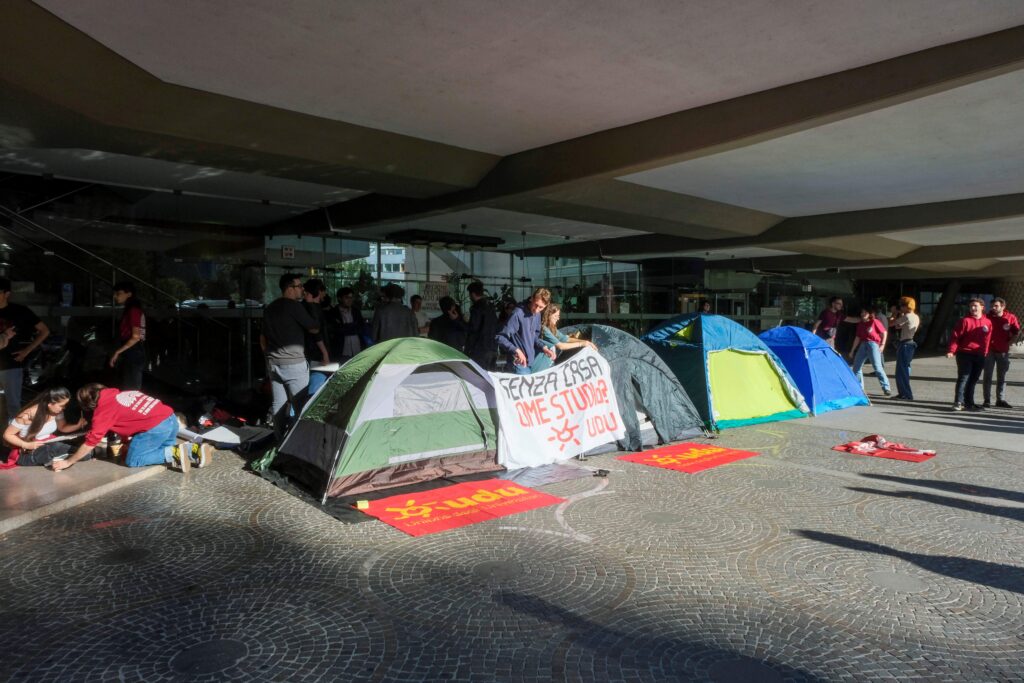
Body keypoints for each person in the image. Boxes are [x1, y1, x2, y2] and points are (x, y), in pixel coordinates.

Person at [51, 383, 211, 472]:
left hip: (156, 428)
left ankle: (180, 451)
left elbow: (91, 442)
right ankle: (192, 451)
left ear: (89, 404)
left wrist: (68, 462)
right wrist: (127, 441)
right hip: (170, 420)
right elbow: (131, 419)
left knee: (133, 460)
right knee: (161, 452)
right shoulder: (125, 393)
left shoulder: (103, 410)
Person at [261, 273, 320, 439]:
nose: (302, 289)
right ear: (289, 289)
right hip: (294, 363)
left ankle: (280, 440)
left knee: (278, 404)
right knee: (301, 405)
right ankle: (300, 443)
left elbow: (262, 338)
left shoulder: (270, 308)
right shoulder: (294, 306)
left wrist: (268, 357)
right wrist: (312, 305)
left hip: (273, 363)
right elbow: (314, 328)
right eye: (299, 286)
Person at [0, 277, 50, 422]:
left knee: (13, 404)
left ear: (6, 293)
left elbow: (44, 331)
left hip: (11, 362)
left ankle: (13, 436)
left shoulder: (19, 311)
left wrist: (27, 350)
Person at [3, 387, 88, 466]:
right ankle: (59, 459)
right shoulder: (27, 415)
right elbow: (7, 435)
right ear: (50, 404)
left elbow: (62, 427)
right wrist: (25, 445)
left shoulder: (56, 411)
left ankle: (59, 459)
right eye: (62, 405)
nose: (64, 408)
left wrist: (78, 425)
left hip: (48, 444)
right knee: (54, 448)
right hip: (27, 453)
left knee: (83, 453)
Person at [495, 288, 556, 375]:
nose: (536, 309)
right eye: (536, 305)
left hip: (530, 362)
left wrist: (544, 348)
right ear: (531, 298)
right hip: (517, 363)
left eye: (541, 307)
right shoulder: (518, 313)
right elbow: (500, 337)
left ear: (546, 306)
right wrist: (517, 350)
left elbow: (533, 337)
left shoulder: (537, 314)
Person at [946, 298, 991, 412]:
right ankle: (958, 402)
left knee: (973, 379)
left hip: (980, 355)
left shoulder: (987, 322)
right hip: (965, 353)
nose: (973, 308)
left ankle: (969, 403)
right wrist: (951, 350)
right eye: (971, 306)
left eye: (975, 306)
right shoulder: (964, 321)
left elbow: (987, 340)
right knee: (964, 378)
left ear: (982, 307)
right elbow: (955, 337)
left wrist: (985, 353)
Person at [531, 303, 598, 372]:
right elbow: (561, 346)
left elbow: (565, 339)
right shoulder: (544, 329)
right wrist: (581, 344)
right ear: (548, 315)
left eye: (558, 316)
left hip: (549, 366)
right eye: (555, 316)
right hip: (540, 368)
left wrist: (585, 342)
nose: (558, 318)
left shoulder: (552, 328)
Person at [109, 281, 147, 390]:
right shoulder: (132, 309)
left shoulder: (133, 310)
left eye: (119, 293)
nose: (115, 296)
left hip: (133, 349)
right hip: (133, 349)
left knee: (130, 386)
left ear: (129, 294)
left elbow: (136, 336)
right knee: (130, 385)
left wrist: (117, 352)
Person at [983, 297, 1020, 408]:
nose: (993, 308)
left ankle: (1000, 399)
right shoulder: (987, 317)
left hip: (1003, 351)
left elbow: (1016, 332)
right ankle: (987, 400)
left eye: (996, 306)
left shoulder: (1010, 317)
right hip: (989, 351)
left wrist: (1009, 343)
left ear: (1003, 307)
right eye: (992, 306)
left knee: (1002, 377)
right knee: (987, 376)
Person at [848, 308, 891, 396]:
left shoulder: (875, 321)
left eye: (865, 312)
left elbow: (884, 332)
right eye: (862, 312)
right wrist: (852, 350)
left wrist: (882, 344)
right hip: (863, 344)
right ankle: (860, 389)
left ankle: (886, 388)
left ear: (870, 314)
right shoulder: (860, 324)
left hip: (873, 344)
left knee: (877, 367)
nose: (863, 314)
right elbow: (857, 338)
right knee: (856, 367)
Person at [302, 279, 332, 397]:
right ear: (319, 291)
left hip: (309, 352)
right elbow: (316, 332)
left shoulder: (304, 307)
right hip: (316, 353)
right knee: (315, 388)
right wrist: (325, 352)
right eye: (323, 291)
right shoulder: (313, 308)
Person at [889, 296, 920, 401]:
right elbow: (899, 327)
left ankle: (906, 395)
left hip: (905, 344)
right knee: (903, 370)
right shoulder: (915, 316)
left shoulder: (907, 316)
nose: (900, 307)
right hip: (910, 344)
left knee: (902, 371)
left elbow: (891, 324)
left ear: (907, 306)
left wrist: (894, 314)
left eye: (902, 305)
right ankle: (903, 393)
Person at [465, 281, 498, 370]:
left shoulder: (476, 308)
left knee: (478, 375)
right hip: (492, 347)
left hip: (480, 349)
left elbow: (473, 328)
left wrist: (462, 322)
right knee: (491, 375)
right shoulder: (491, 306)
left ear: (472, 294)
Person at [332, 287, 365, 364]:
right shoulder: (333, 312)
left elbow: (361, 327)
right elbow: (336, 329)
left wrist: (345, 327)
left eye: (351, 297)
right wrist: (353, 326)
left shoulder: (356, 311)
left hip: (357, 349)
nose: (350, 300)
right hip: (341, 350)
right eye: (347, 297)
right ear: (339, 299)